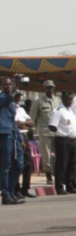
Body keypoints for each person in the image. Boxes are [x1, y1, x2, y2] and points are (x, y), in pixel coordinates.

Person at [48, 90, 76, 195]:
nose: (70, 101)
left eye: (71, 99)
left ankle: (70, 185)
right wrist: (61, 132)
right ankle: (59, 186)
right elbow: (52, 126)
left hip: (72, 141)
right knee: (61, 164)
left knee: (72, 164)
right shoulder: (58, 110)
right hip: (63, 140)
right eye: (68, 99)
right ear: (63, 99)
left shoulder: (70, 110)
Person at [1, 77, 26, 205]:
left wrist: (20, 138)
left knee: (19, 164)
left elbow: (13, 120)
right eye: (5, 84)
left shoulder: (10, 101)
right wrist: (17, 84)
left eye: (9, 84)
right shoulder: (2, 98)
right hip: (4, 134)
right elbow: (6, 100)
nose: (8, 86)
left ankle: (11, 192)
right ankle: (6, 195)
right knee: (6, 166)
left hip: (13, 134)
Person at [30, 79, 60, 184]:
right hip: (45, 131)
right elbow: (32, 118)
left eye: (51, 87)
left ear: (54, 88)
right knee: (46, 155)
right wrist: (32, 131)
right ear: (45, 88)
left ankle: (58, 174)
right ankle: (48, 175)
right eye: (48, 87)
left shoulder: (58, 101)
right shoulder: (39, 102)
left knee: (59, 154)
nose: (50, 89)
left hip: (57, 131)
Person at [13, 91, 36, 199]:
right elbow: (15, 124)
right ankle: (15, 189)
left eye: (19, 96)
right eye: (16, 96)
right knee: (17, 164)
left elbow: (30, 122)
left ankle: (25, 188)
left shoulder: (21, 109)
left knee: (28, 164)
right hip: (15, 137)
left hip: (25, 137)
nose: (18, 98)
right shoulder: (8, 107)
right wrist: (22, 124)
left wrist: (23, 123)